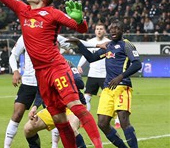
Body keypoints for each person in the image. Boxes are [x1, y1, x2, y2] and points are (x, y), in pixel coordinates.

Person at [0, 0, 103, 148]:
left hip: (56, 67)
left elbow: (81, 29)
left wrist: (80, 20)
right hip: (40, 75)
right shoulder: (23, 10)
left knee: (75, 107)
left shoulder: (53, 13)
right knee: (59, 120)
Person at [69, 19, 142, 148]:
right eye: (112, 28)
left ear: (122, 31)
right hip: (108, 88)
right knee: (102, 123)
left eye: (117, 28)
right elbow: (92, 58)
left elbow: (137, 64)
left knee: (124, 121)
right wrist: (79, 45)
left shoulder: (127, 45)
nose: (113, 30)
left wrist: (121, 77)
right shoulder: (108, 46)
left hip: (122, 86)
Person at [5, 34, 70, 148]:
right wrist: (15, 71)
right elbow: (13, 55)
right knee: (17, 113)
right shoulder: (25, 36)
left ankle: (54, 146)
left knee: (56, 115)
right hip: (28, 82)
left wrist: (58, 55)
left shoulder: (51, 32)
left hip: (48, 82)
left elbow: (69, 44)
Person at [24, 61, 87, 148]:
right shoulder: (40, 70)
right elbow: (41, 91)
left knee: (71, 129)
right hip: (56, 107)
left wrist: (60, 78)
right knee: (28, 129)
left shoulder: (65, 63)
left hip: (74, 105)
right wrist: (35, 106)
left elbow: (80, 83)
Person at [77, 23, 121, 128]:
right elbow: (86, 55)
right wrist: (79, 65)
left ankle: (117, 119)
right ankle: (85, 120)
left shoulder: (108, 43)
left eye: (101, 29)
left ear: (104, 31)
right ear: (95, 30)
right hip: (92, 75)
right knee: (86, 98)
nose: (99, 31)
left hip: (105, 75)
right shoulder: (90, 42)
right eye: (97, 29)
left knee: (111, 97)